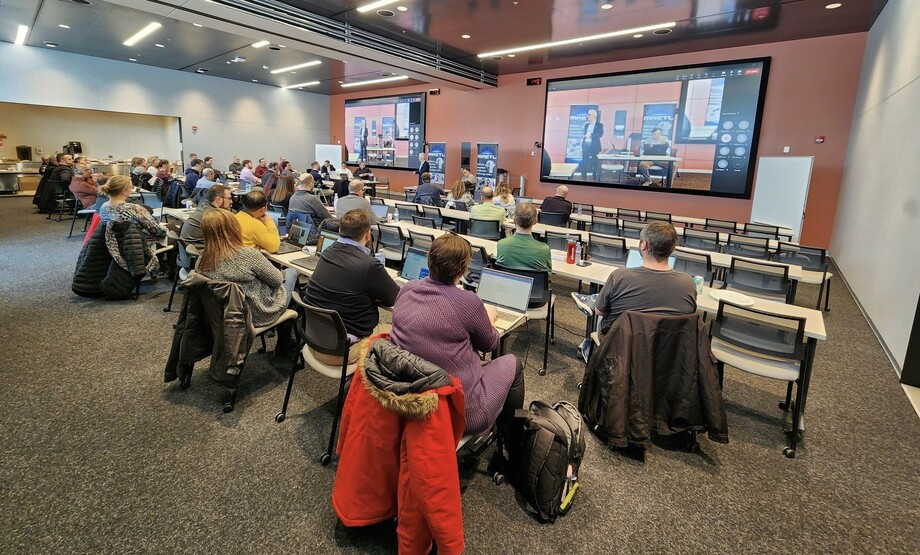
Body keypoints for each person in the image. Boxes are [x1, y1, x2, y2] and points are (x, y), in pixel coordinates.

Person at [390, 233, 525, 451]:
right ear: (463, 269)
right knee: (513, 363)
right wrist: (488, 317)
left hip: (408, 398)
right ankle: (511, 444)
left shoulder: (407, 289)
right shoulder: (468, 302)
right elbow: (490, 344)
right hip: (459, 413)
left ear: (429, 260)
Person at [304, 209, 399, 364]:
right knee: (400, 332)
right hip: (342, 350)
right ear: (368, 235)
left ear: (340, 230)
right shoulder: (368, 264)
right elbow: (394, 298)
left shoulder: (328, 251)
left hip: (313, 338)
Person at [196, 209, 299, 332]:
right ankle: (286, 343)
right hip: (258, 314)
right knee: (292, 273)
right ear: (233, 228)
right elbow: (277, 281)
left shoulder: (201, 260)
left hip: (223, 315)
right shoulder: (248, 255)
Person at [594, 221, 696, 335]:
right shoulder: (688, 283)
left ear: (644, 245)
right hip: (666, 349)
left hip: (620, 347)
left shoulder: (620, 276)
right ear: (672, 249)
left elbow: (599, 311)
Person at [97, 175, 166, 268]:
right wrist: (166, 229)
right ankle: (169, 270)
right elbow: (157, 231)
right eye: (130, 187)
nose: (131, 189)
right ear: (124, 191)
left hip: (115, 244)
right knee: (175, 235)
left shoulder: (103, 207)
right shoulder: (134, 208)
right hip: (140, 244)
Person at [495, 202, 552, 274]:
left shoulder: (502, 244)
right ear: (535, 221)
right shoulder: (544, 249)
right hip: (534, 285)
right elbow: (548, 274)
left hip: (508, 284)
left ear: (514, 220)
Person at [180, 184, 232, 249]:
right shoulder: (212, 215)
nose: (231, 201)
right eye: (229, 198)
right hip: (201, 253)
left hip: (191, 250)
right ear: (218, 199)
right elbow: (225, 241)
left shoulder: (204, 206)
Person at [580, 109, 604, 180]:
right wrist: (584, 136)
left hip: (594, 146)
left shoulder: (599, 125)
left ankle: (594, 177)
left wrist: (590, 135)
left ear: (594, 116)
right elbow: (585, 134)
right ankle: (583, 177)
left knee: (595, 162)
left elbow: (600, 134)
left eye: (589, 114)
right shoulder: (586, 125)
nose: (587, 116)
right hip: (586, 145)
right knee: (584, 161)